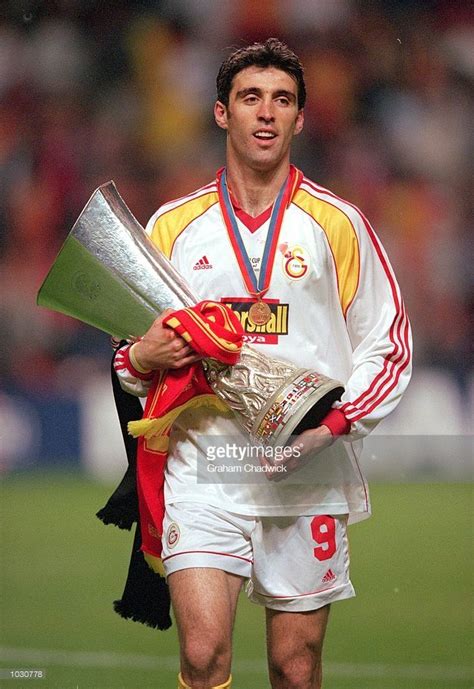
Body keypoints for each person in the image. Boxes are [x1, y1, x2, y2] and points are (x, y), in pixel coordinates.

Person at [114, 38, 412, 689]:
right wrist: (143, 353)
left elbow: (388, 345)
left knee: (295, 667)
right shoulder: (173, 226)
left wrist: (331, 429)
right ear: (223, 112)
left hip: (309, 470)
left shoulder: (338, 224)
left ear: (301, 117)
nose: (267, 112)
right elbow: (129, 360)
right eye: (251, 97)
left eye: (282, 99)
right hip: (205, 464)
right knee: (203, 652)